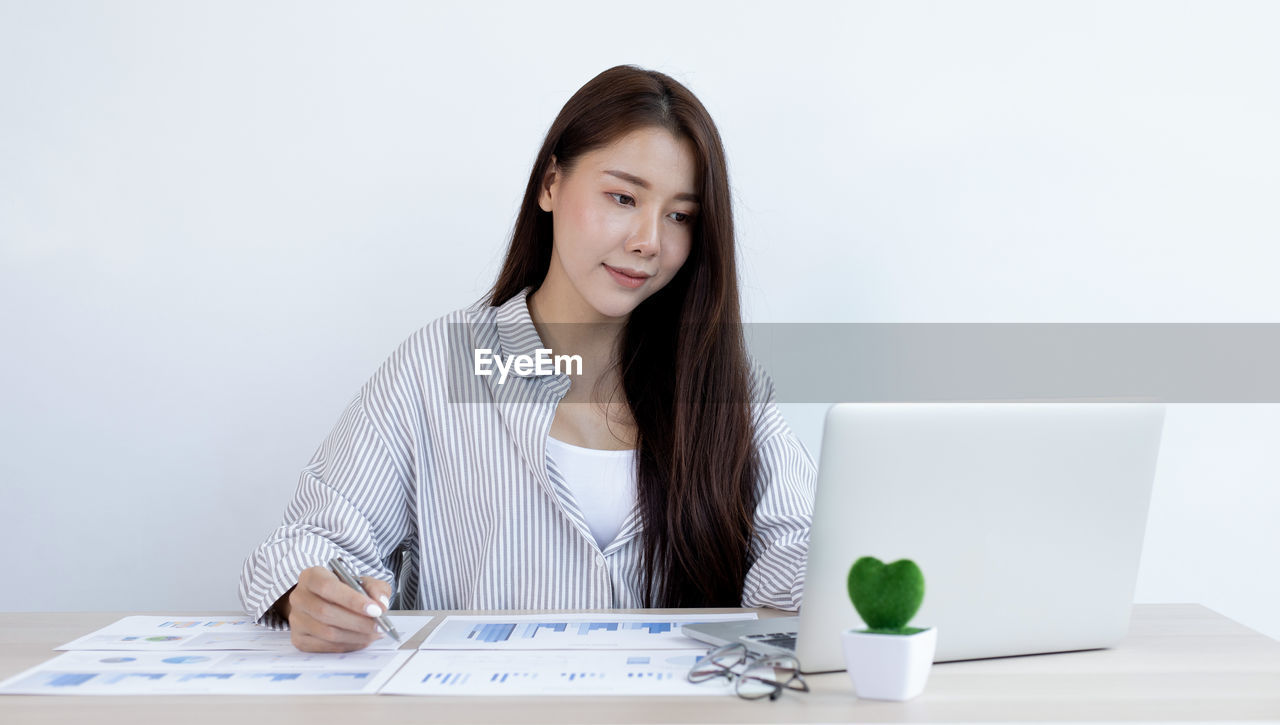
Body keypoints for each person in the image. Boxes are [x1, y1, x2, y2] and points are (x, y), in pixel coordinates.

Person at [238, 64, 816, 653]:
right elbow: (311, 542)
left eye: (680, 216)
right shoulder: (442, 365)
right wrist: (310, 592)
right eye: (622, 197)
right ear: (550, 185)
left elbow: (795, 546)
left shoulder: (723, 384)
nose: (649, 240)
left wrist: (844, 576)